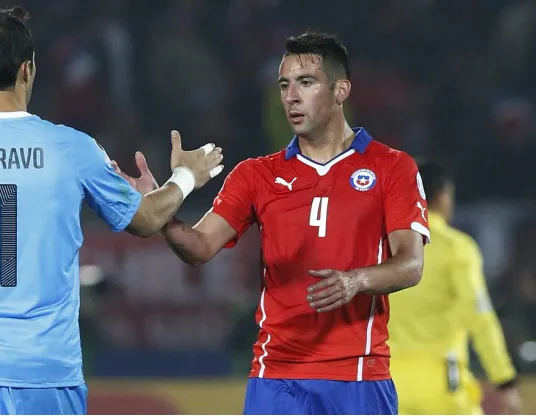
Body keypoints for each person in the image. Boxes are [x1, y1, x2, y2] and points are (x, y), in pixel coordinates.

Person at [0, 6, 223, 416]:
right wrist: (184, 178)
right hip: (47, 375)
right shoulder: (73, 149)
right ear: (27, 69)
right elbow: (145, 219)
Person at [112, 32, 429, 415]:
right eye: (284, 85)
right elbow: (198, 247)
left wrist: (355, 280)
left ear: (340, 90)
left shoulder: (392, 167)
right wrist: (160, 211)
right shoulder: (256, 175)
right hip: (277, 378)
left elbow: (410, 265)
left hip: (360, 376)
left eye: (306, 83)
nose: (290, 96)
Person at [387, 160, 521, 415]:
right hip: (441, 383)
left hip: (388, 381)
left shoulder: (378, 248)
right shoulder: (456, 248)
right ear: (443, 196)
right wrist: (503, 378)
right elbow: (478, 317)